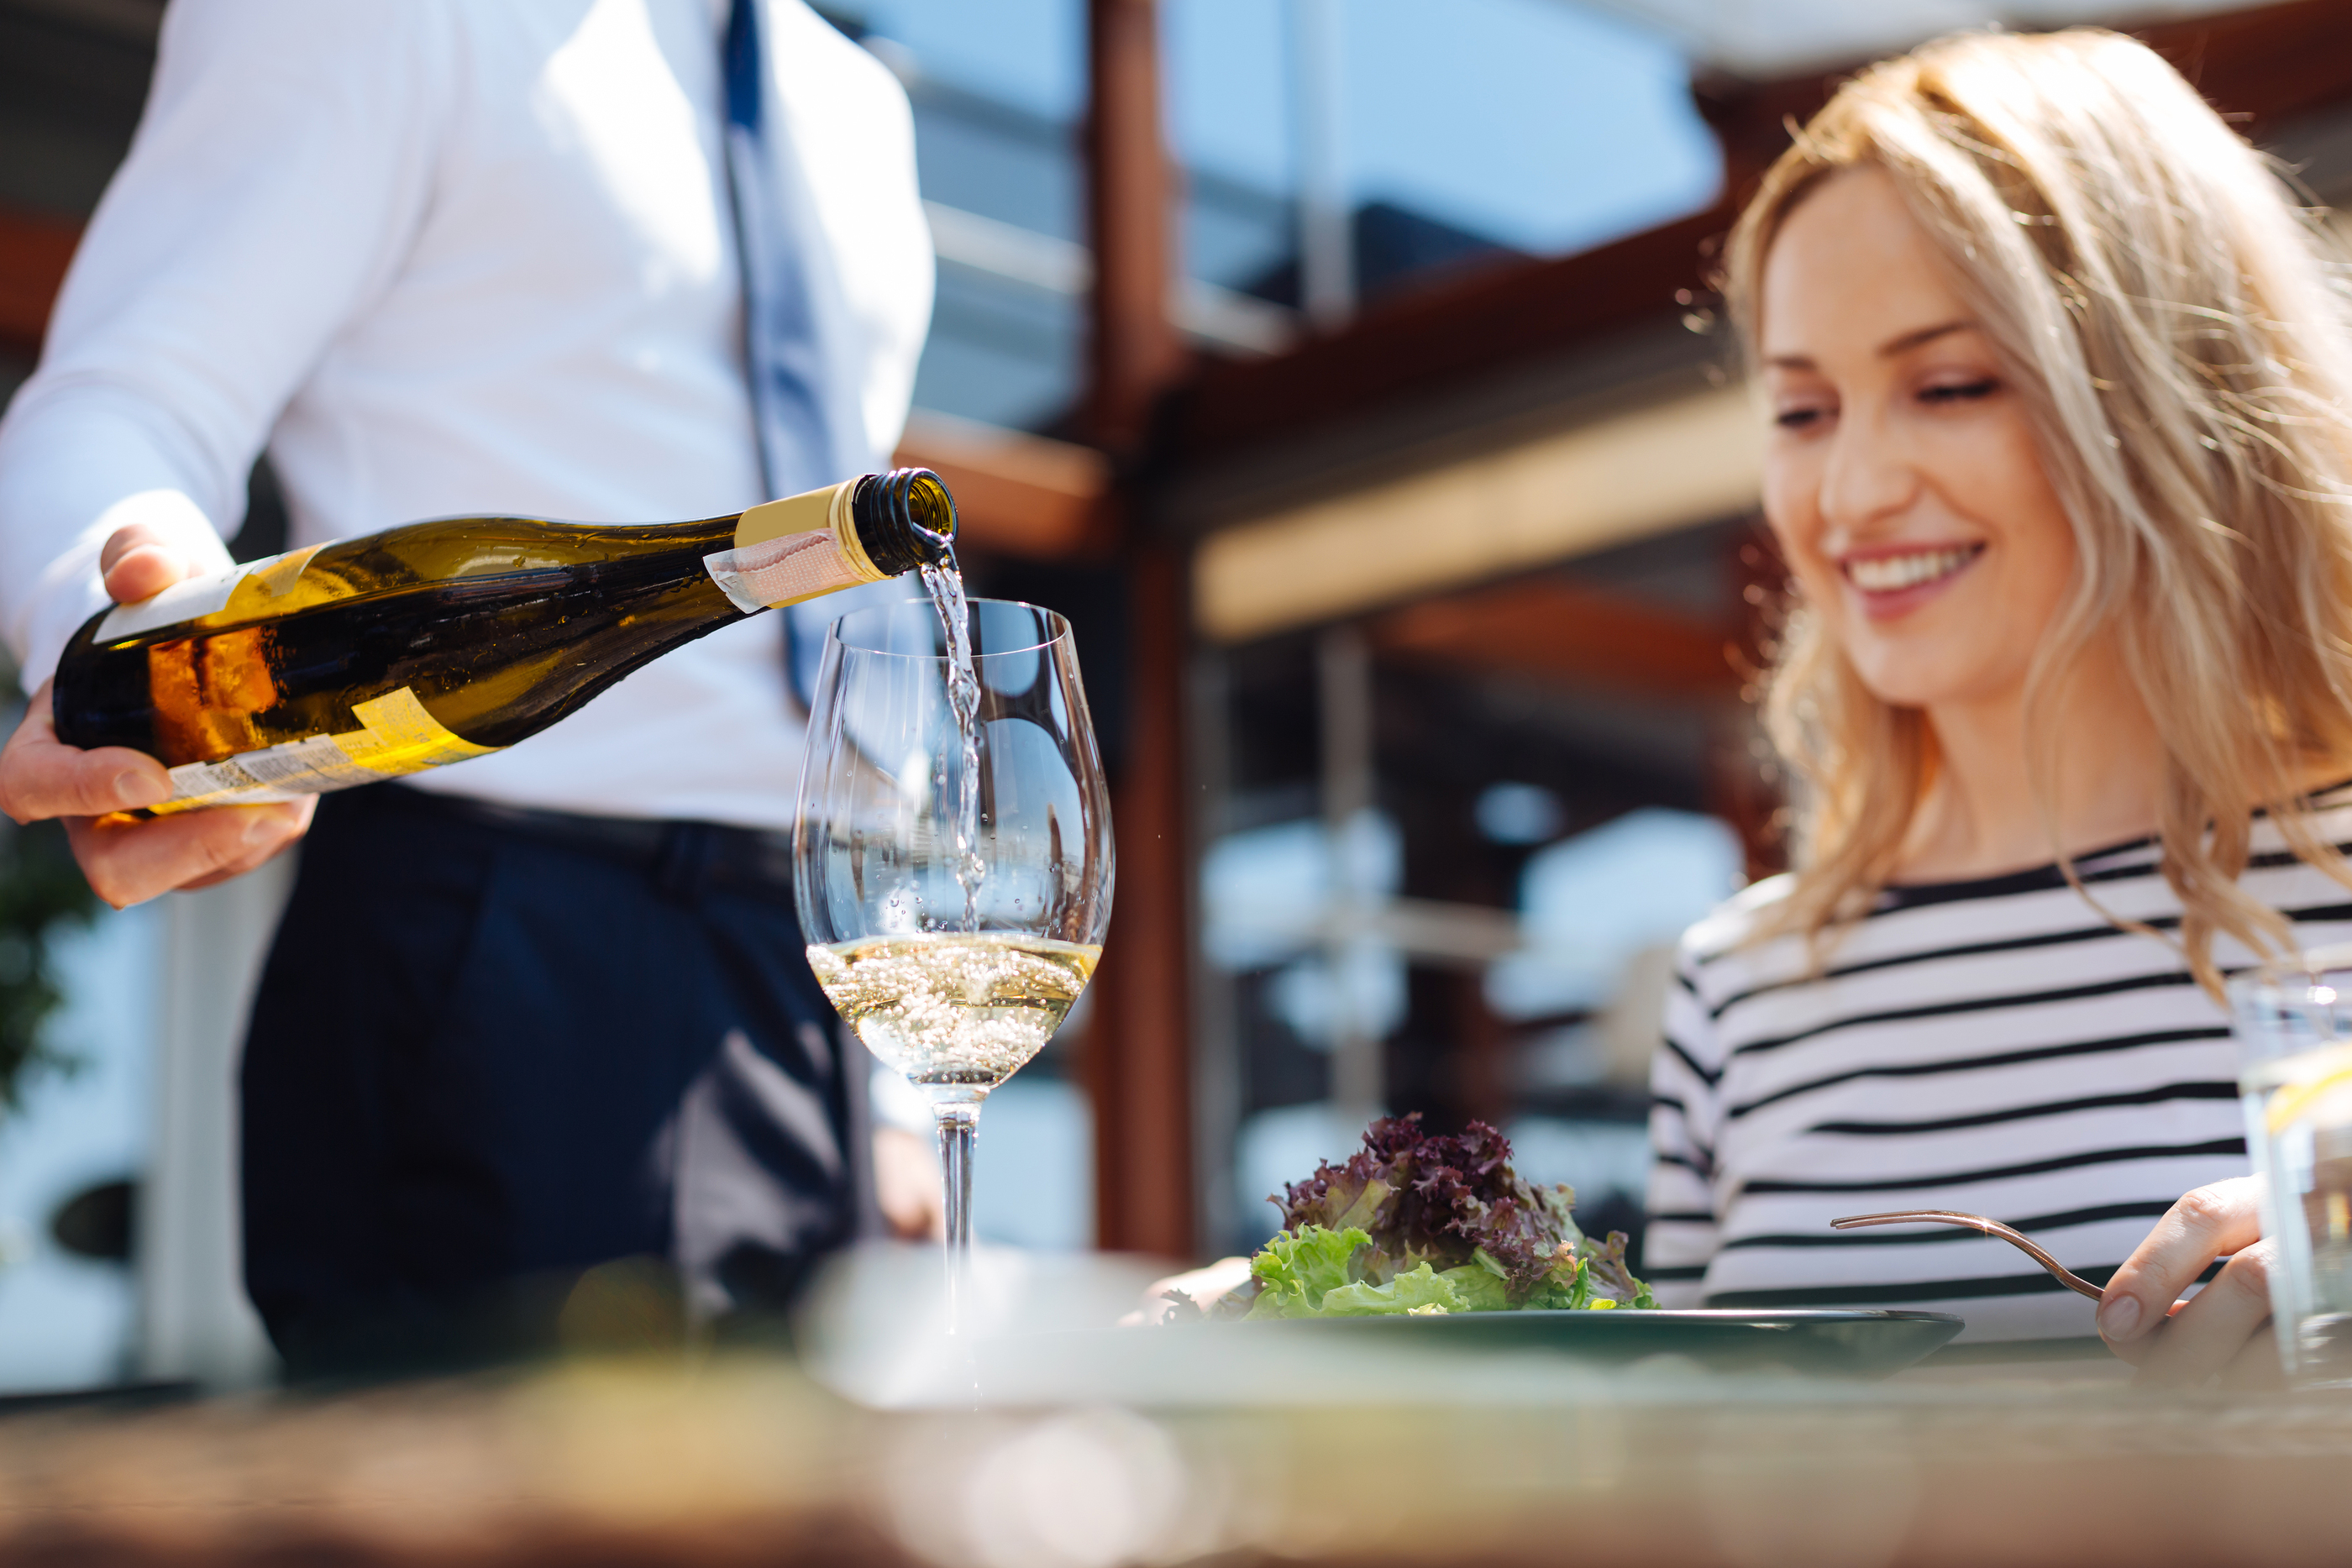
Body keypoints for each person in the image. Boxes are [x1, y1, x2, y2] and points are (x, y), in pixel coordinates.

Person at [0, 0, 942, 1372]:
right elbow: (128, 393)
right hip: (491, 943)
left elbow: (842, 569)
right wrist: (131, 657)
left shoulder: (860, 104)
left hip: (813, 964)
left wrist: (898, 1086)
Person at [1645, 28, 2352, 1382]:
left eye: (1949, 386)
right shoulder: (1735, 992)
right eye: (1802, 411)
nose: (1849, 495)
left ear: (2164, 392)